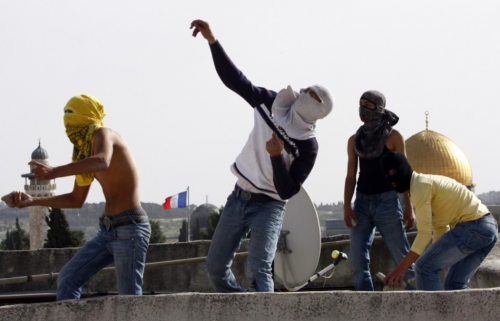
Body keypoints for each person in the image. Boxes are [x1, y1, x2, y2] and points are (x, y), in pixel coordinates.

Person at [190, 19, 333, 292]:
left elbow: (288, 190)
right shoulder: (271, 102)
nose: (303, 94)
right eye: (306, 89)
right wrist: (213, 41)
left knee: (258, 271)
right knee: (215, 269)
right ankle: (244, 307)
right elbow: (237, 81)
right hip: (238, 197)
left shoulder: (308, 146)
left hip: (269, 206)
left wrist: (277, 157)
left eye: (311, 96)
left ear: (319, 111)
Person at [12, 94, 151, 300]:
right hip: (108, 230)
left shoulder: (104, 134)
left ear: (87, 116)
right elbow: (76, 200)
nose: (68, 123)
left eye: (72, 114)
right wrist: (33, 201)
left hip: (130, 228)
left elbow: (102, 161)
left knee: (129, 300)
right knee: (68, 278)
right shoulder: (82, 153)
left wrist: (54, 172)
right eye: (65, 116)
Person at [381, 151, 498, 290]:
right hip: (487, 229)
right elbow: (440, 228)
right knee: (453, 285)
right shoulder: (422, 185)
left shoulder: (419, 186)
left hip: (474, 227)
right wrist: (434, 257)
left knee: (423, 267)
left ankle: (433, 312)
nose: (392, 180)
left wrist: (401, 269)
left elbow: (425, 233)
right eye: (387, 175)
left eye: (394, 171)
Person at [343, 90, 415, 291]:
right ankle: (367, 308)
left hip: (388, 203)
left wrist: (409, 207)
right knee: (357, 263)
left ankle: (418, 303)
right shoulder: (355, 140)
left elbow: (403, 174)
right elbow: (350, 176)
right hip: (362, 204)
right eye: (361, 104)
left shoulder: (393, 137)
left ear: (380, 108)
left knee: (403, 259)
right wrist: (347, 206)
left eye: (369, 105)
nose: (363, 109)